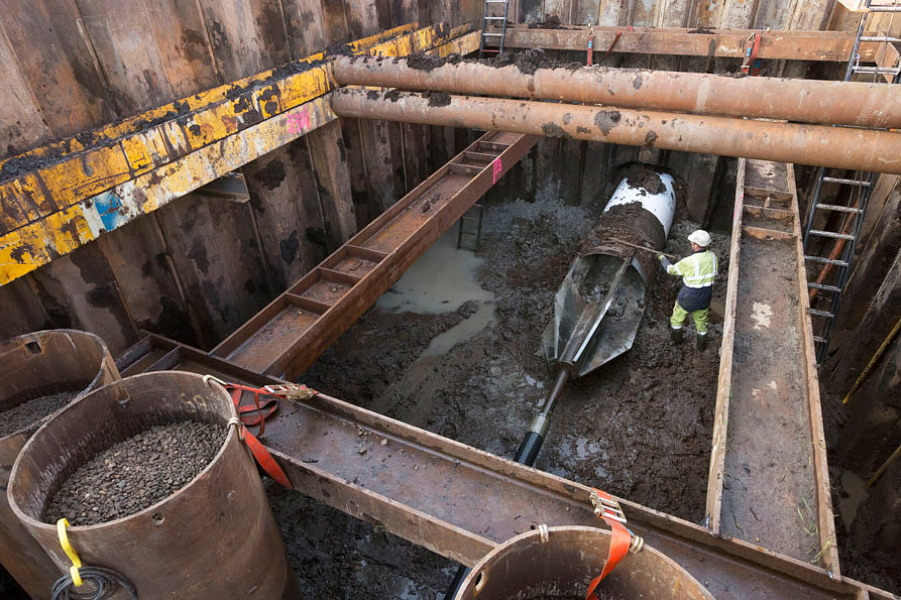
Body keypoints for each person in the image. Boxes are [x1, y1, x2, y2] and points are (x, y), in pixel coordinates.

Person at [657, 230, 717, 350]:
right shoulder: (713, 256)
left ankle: (677, 342)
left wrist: (661, 257)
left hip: (689, 295)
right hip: (705, 296)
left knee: (676, 319)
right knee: (701, 323)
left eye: (692, 243)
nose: (691, 244)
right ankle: (701, 347)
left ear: (695, 245)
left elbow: (671, 270)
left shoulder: (689, 261)